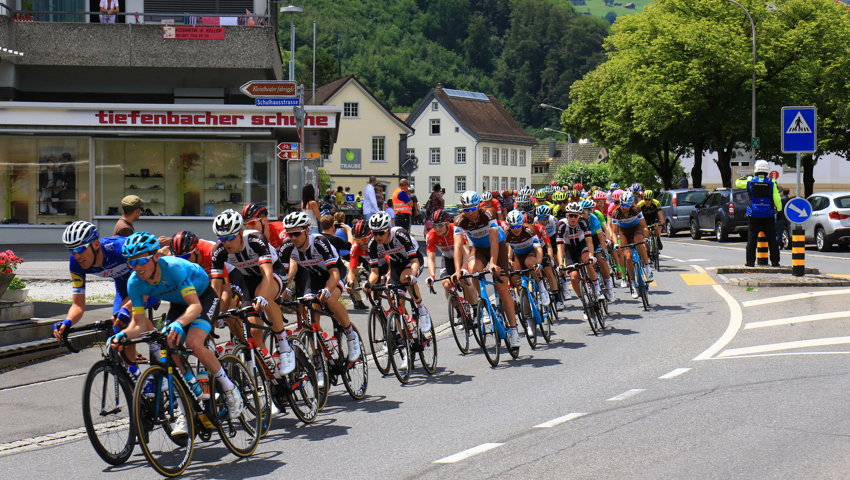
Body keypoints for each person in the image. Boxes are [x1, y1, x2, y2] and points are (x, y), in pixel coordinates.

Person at [118, 232, 244, 430]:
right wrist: (122, 336)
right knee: (170, 344)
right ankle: (188, 403)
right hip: (179, 303)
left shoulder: (173, 268)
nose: (138, 267)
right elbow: (139, 324)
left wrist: (178, 323)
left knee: (193, 343)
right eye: (132, 263)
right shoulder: (134, 282)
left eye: (142, 260)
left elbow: (194, 307)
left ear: (155, 257)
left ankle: (230, 388)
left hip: (202, 298)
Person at [279, 212, 362, 388]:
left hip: (333, 273)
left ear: (307, 231)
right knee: (310, 319)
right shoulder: (287, 246)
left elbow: (334, 274)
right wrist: (282, 291)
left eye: (297, 233)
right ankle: (319, 365)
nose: (292, 237)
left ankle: (350, 334)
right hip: (313, 276)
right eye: (289, 233)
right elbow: (282, 275)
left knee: (331, 302)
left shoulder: (319, 242)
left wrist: (327, 289)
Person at [210, 209, 296, 376]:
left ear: (241, 232)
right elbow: (215, 287)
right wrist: (214, 312)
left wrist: (263, 296)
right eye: (222, 238)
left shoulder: (256, 239)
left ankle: (284, 346)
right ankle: (270, 370)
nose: (226, 243)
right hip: (249, 280)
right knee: (254, 330)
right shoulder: (219, 251)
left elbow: (267, 274)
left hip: (273, 274)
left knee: (262, 293)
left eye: (230, 237)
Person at [54, 221, 148, 363]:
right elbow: (78, 305)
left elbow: (146, 282)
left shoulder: (120, 248)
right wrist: (68, 321)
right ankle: (137, 378)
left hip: (147, 286)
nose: (76, 255)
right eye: (71, 250)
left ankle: (158, 352)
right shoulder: (76, 263)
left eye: (80, 249)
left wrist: (127, 308)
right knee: (119, 338)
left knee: (125, 323)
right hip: (124, 290)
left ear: (96, 244)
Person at [451, 191, 520, 348]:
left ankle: (514, 331)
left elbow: (494, 240)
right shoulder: (459, 220)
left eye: (473, 208)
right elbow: (457, 246)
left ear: (479, 206)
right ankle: (487, 306)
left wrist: (494, 263)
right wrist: (457, 270)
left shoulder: (489, 213)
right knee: (472, 268)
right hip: (479, 249)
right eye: (466, 209)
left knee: (501, 288)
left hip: (498, 247)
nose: (470, 213)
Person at [362, 211, 431, 332]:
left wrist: (412, 276)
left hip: (412, 259)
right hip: (396, 264)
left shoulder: (399, 234)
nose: (377, 236)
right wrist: (369, 283)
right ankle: (407, 334)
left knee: (405, 278)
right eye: (374, 233)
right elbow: (374, 272)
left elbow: (415, 262)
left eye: (380, 233)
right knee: (396, 303)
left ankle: (422, 310)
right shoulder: (372, 244)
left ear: (388, 229)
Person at [425, 209, 478, 307]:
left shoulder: (457, 229)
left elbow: (466, 250)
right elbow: (431, 258)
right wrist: (432, 275)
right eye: (435, 225)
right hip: (447, 259)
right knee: (446, 284)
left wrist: (464, 267)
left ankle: (476, 309)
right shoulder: (431, 236)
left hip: (462, 257)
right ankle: (458, 312)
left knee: (464, 281)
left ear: (447, 223)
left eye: (440, 225)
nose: (437, 229)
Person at [735, 160, 782, 267]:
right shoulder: (772, 181)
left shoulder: (750, 180)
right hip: (768, 214)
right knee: (772, 239)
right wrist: (779, 210)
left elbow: (737, 182)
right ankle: (775, 261)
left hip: (753, 213)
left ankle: (750, 262)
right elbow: (777, 198)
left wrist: (748, 176)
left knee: (752, 237)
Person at [610, 192, 652, 296]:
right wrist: (615, 243)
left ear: (631, 204)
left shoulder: (636, 209)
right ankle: (633, 284)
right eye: (623, 205)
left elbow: (644, 227)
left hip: (636, 228)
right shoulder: (616, 212)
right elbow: (614, 232)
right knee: (628, 257)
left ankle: (648, 269)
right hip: (624, 232)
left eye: (627, 205)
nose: (624, 208)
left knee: (639, 242)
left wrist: (646, 237)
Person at [320, 214, 366, 309]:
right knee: (350, 271)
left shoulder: (317, 238)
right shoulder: (334, 239)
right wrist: (348, 230)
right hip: (336, 266)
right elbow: (351, 245)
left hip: (321, 266)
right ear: (333, 226)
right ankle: (357, 300)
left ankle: (360, 271)